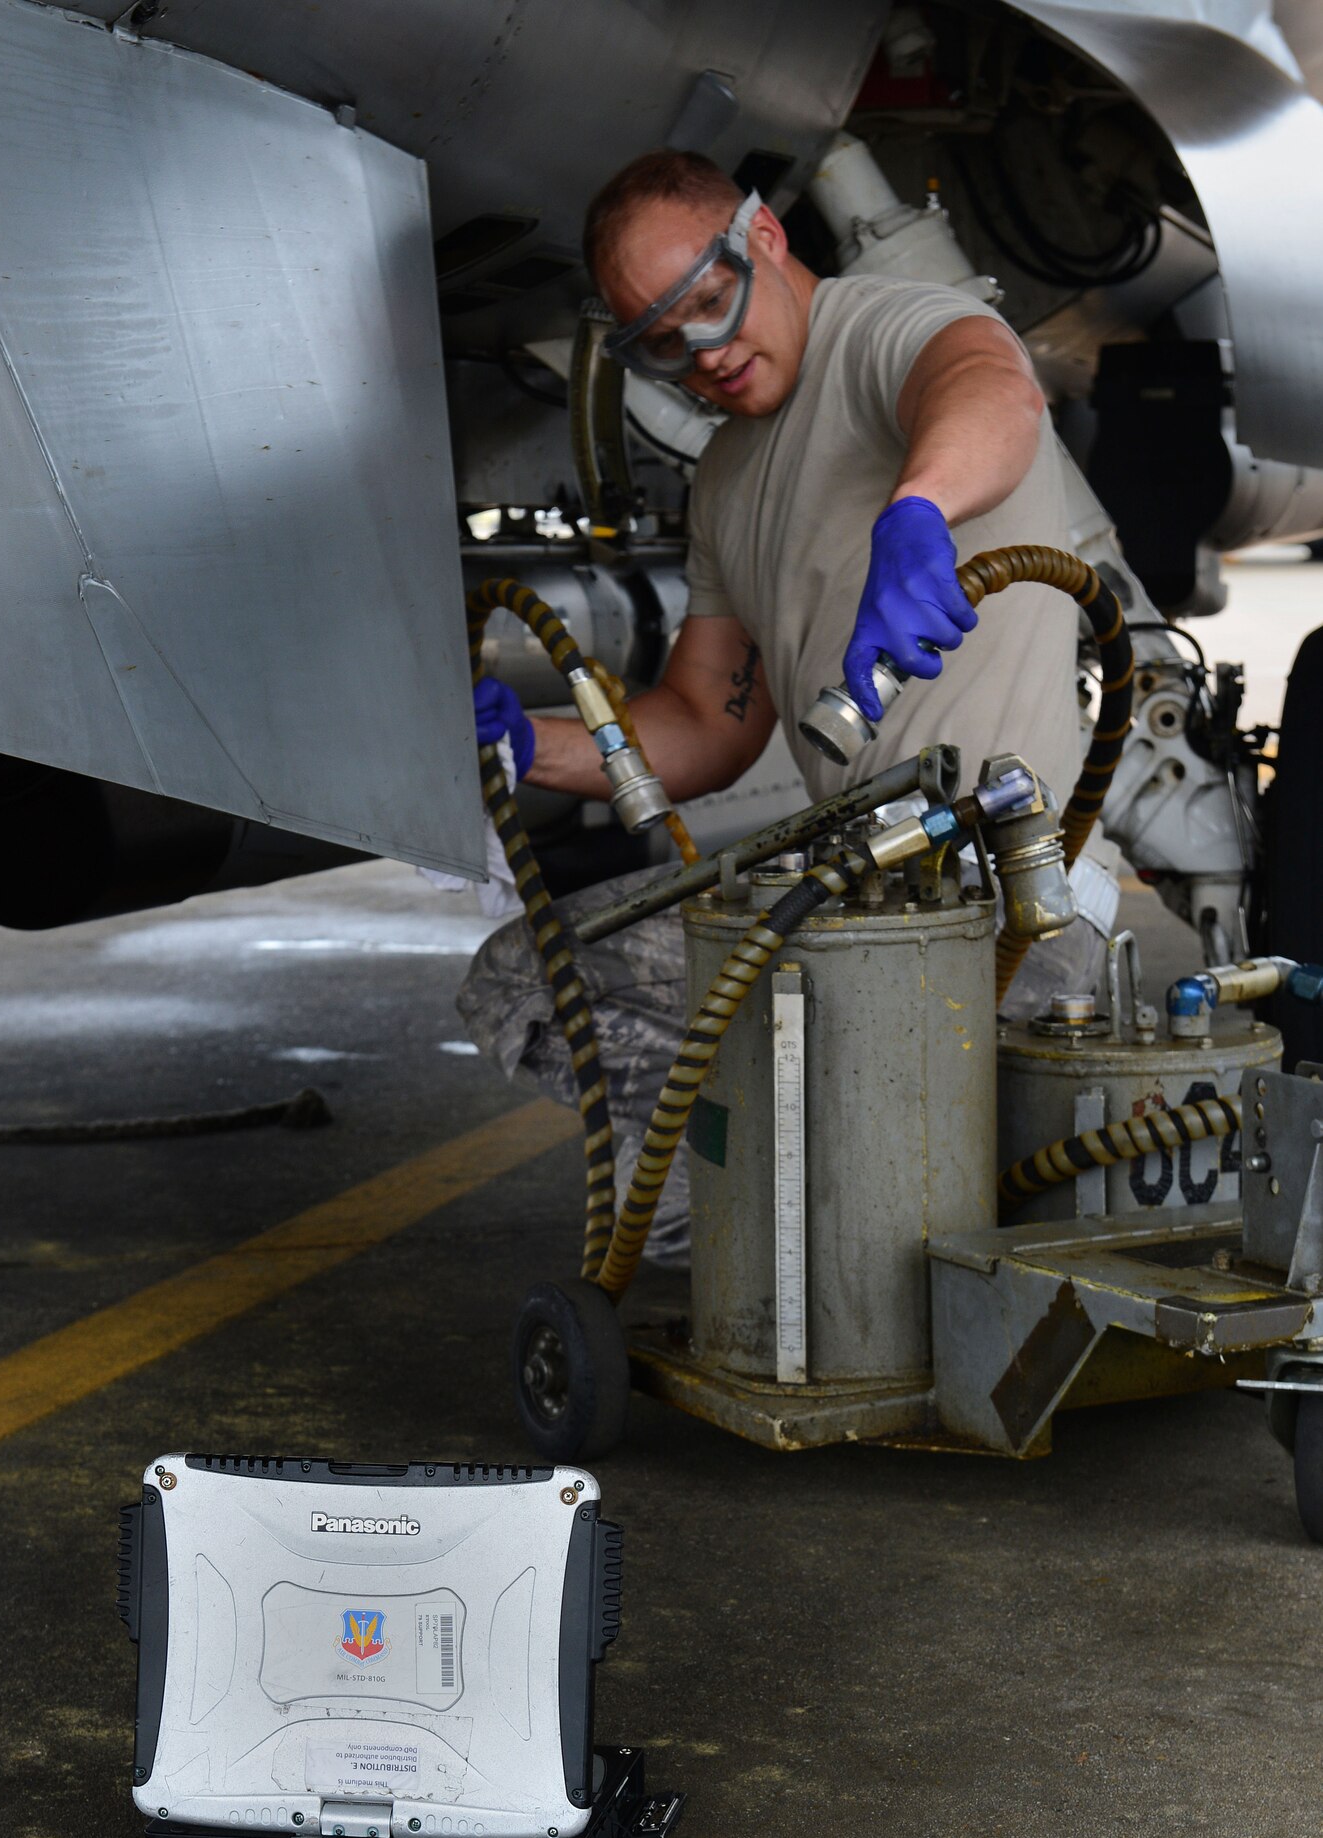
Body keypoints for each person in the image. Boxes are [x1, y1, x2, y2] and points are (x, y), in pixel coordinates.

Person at [458, 149, 1115, 1265]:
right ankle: (759, 1260)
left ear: (763, 236)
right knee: (527, 976)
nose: (701, 352)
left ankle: (800, 1253)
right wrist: (535, 745)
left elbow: (985, 386)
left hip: (1013, 904)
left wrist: (918, 509)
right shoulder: (723, 479)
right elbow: (706, 724)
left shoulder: (888, 331)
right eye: (657, 341)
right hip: (859, 894)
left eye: (710, 304)